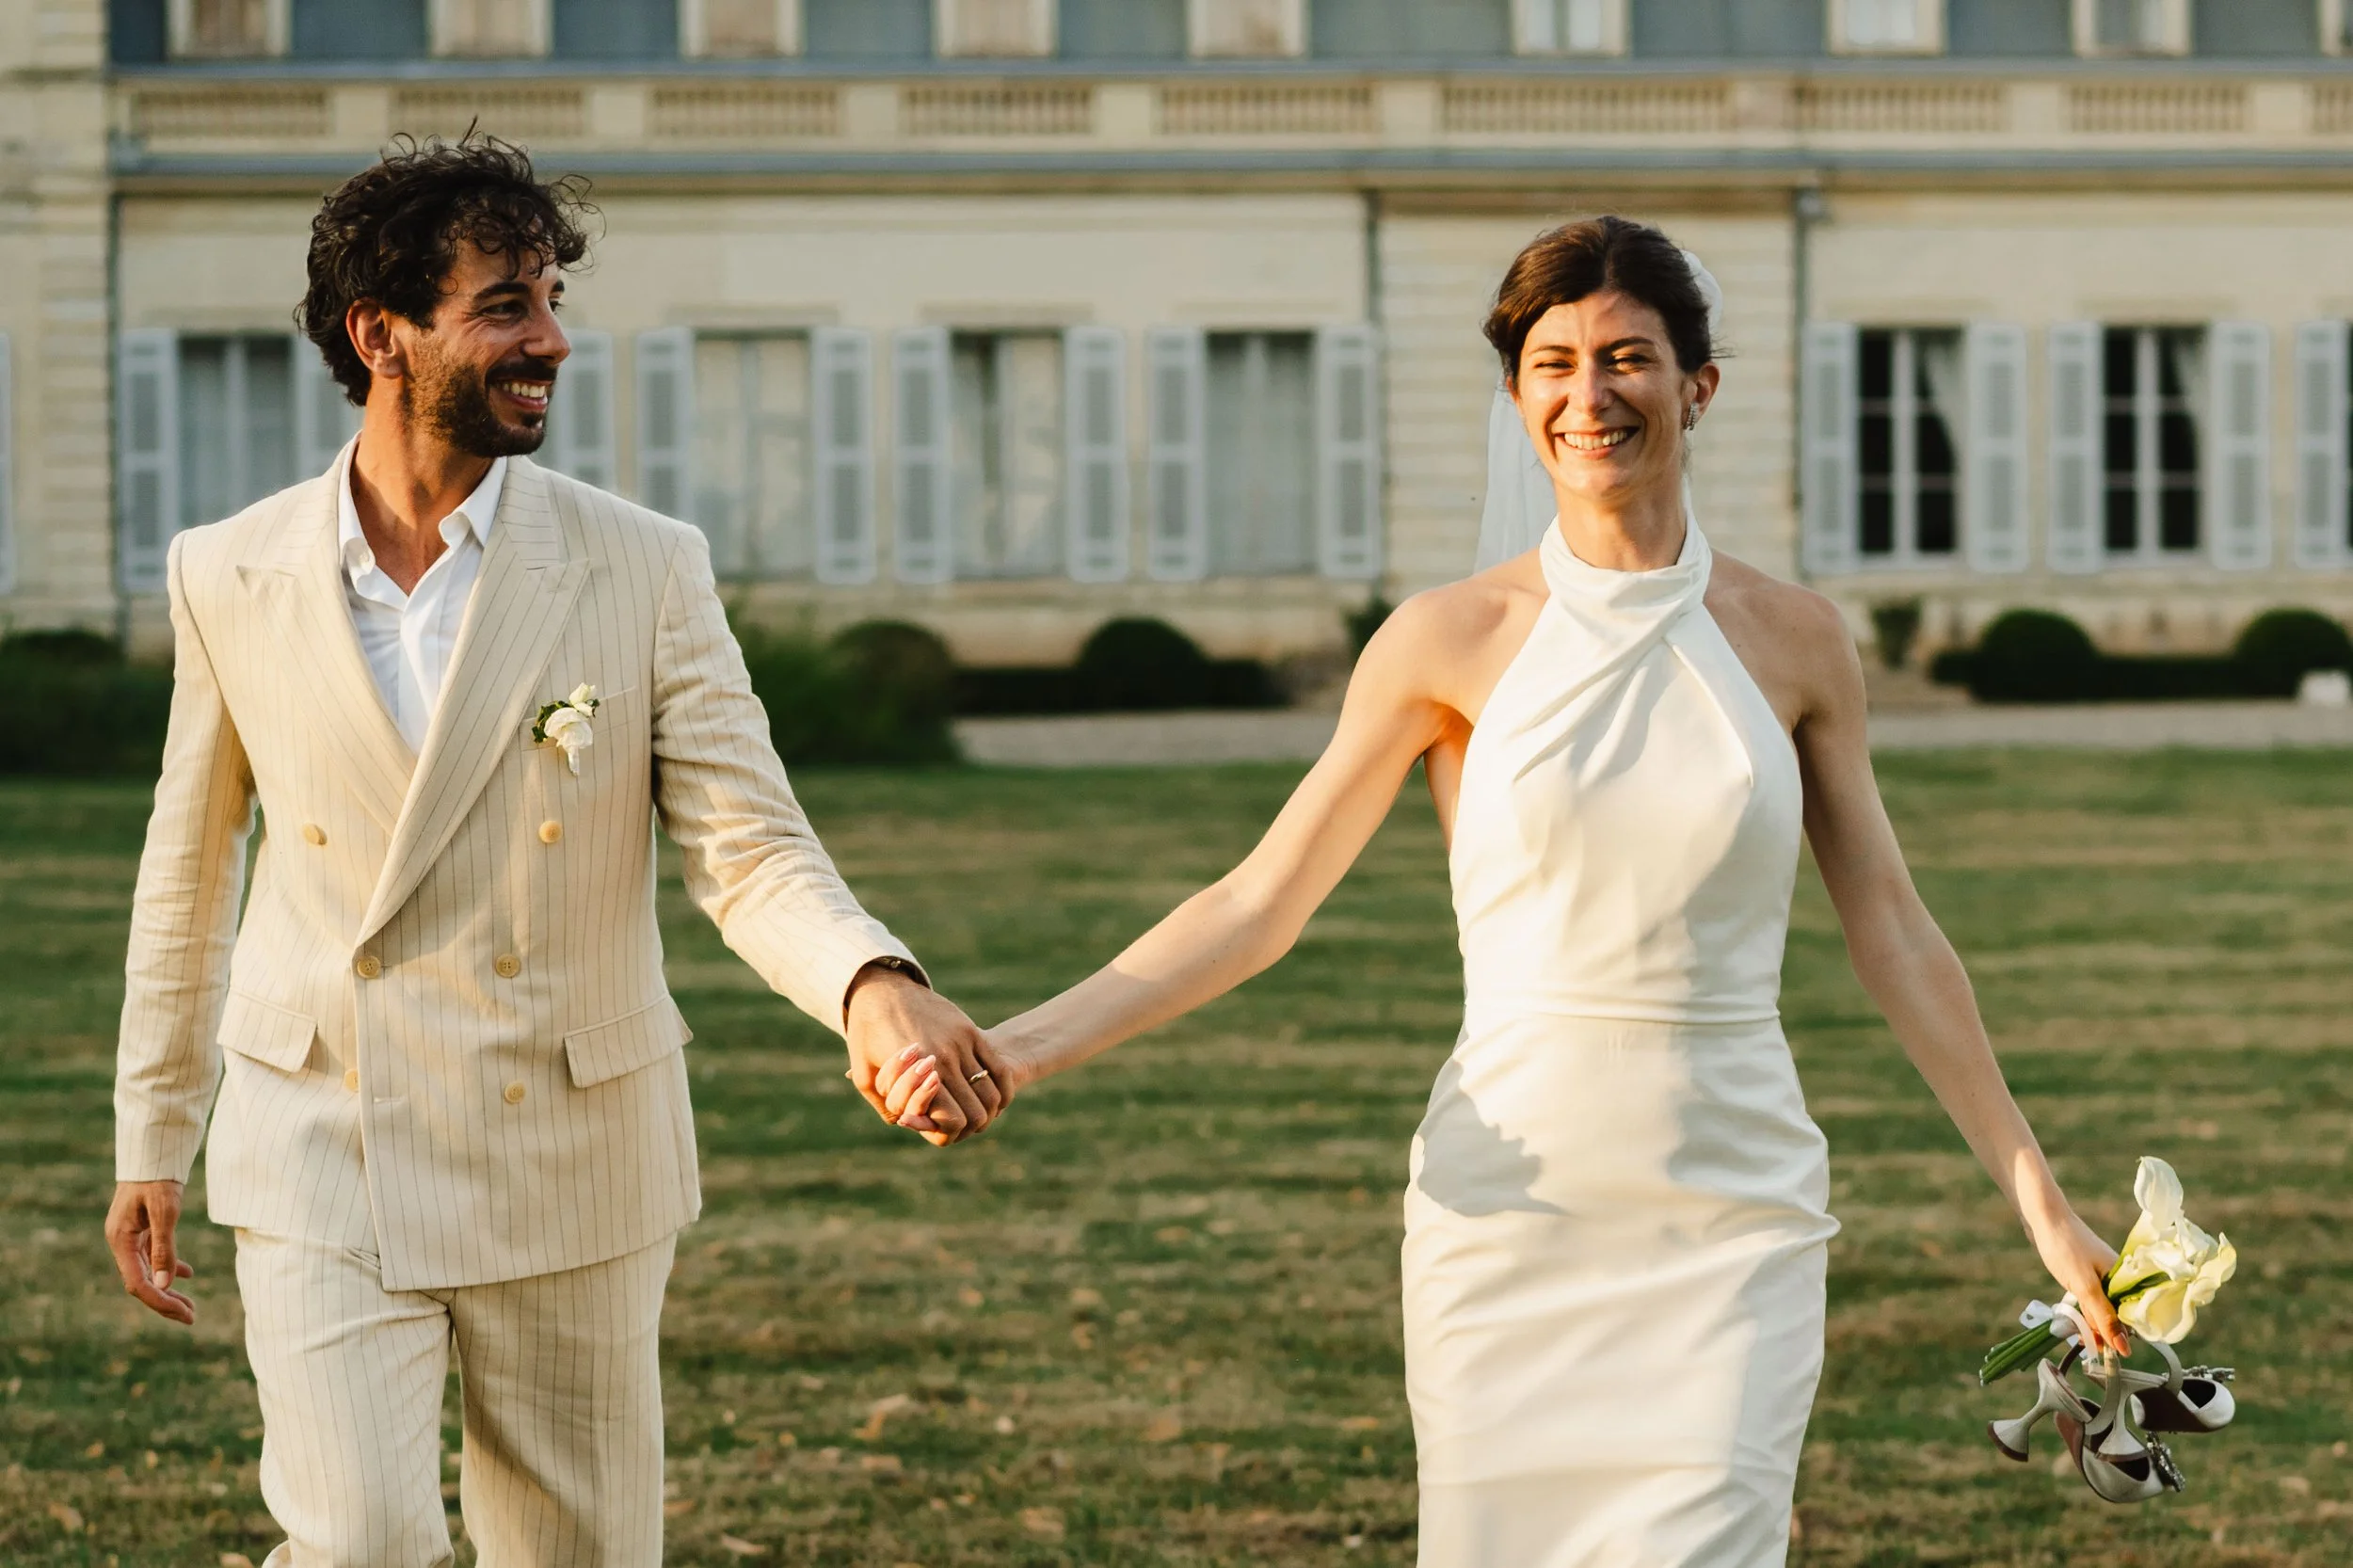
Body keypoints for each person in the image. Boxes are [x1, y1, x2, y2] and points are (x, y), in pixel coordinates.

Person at [898, 216, 2133, 1565]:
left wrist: (2042, 1199)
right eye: (1553, 363)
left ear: (1696, 385)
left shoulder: (1797, 641)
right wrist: (1012, 1050)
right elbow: (1261, 901)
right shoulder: (1446, 640)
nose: (1589, 395)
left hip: (1732, 1206)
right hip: (1512, 1210)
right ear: (1517, 396)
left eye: (1627, 358)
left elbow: (1894, 932)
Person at [104, 136, 1000, 1568]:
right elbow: (190, 873)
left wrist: (870, 981)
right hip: (323, 1129)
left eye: (552, 297)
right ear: (380, 335)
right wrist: (153, 1128)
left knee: (576, 1553)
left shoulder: (642, 562)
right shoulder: (231, 568)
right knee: (357, 1544)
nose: (554, 341)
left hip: (568, 1134)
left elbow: (747, 840)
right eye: (508, 305)